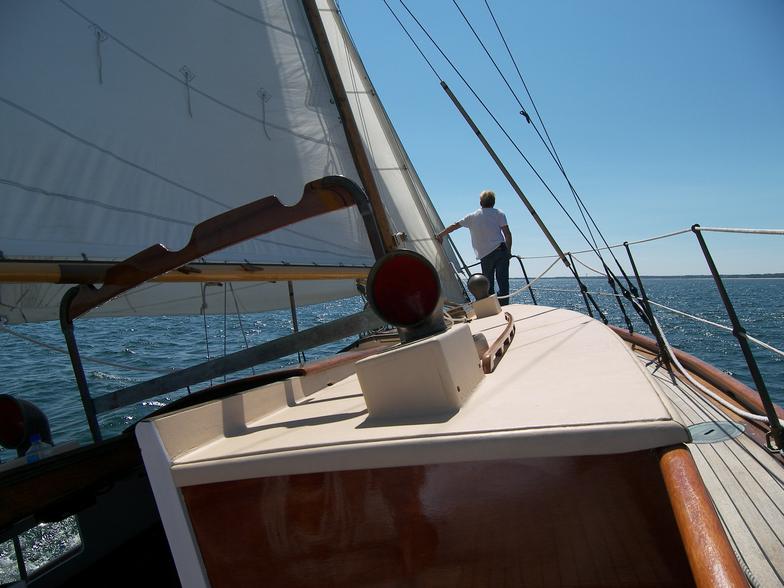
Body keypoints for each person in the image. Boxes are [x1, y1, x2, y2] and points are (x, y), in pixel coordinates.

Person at [436, 190, 513, 305]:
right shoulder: (499, 214)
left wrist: (441, 235)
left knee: (487, 285)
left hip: (485, 255)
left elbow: (455, 225)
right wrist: (508, 251)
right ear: (493, 202)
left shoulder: (472, 216)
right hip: (501, 251)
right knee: (503, 281)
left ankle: (491, 307)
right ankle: (505, 306)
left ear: (481, 202)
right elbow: (507, 234)